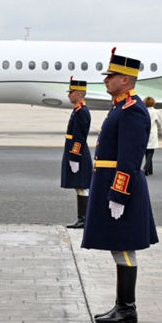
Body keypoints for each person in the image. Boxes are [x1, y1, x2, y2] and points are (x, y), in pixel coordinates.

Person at [81, 49, 158, 323]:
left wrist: (119, 194)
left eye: (111, 76)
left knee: (124, 245)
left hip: (120, 188)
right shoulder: (119, 106)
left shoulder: (132, 110)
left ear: (125, 80)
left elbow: (129, 158)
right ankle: (122, 305)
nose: (106, 80)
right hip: (110, 184)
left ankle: (127, 307)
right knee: (118, 246)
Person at [60, 78, 93, 228]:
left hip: (77, 153)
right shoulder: (78, 110)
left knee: (81, 186)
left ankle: (84, 219)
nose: (69, 95)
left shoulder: (81, 112)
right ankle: (82, 218)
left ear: (79, 94)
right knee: (79, 186)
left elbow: (79, 137)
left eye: (71, 92)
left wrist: (74, 157)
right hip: (75, 151)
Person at [143, 96, 162, 175]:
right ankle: (146, 168)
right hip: (153, 132)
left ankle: (150, 170)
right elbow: (159, 122)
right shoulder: (156, 112)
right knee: (151, 152)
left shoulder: (143, 111)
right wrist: (159, 129)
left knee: (146, 151)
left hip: (144, 131)